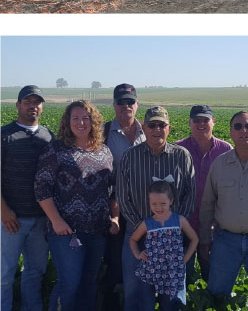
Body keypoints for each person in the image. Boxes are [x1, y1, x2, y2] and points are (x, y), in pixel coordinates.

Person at [34, 100, 117, 311]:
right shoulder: (55, 150)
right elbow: (41, 188)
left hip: (98, 230)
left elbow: (113, 188)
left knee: (89, 283)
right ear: (67, 122)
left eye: (86, 118)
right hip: (67, 232)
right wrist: (56, 221)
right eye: (76, 118)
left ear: (94, 121)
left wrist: (114, 217)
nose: (81, 123)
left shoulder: (104, 151)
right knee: (69, 283)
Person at [117, 106, 196, 311]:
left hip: (171, 238)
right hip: (137, 236)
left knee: (171, 294)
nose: (157, 129)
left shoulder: (182, 156)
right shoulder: (129, 156)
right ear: (144, 127)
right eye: (152, 125)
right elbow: (123, 197)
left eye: (161, 125)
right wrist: (145, 227)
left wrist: (173, 226)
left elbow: (190, 195)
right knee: (135, 292)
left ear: (169, 128)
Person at [199, 111, 248, 307]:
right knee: (217, 295)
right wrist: (205, 240)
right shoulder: (220, 164)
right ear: (231, 132)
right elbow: (208, 204)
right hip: (226, 240)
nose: (244, 131)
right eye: (238, 127)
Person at [0, 86, 54, 311]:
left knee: (35, 271)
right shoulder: (4, 135)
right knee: (4, 274)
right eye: (27, 101)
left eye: (37, 102)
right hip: (12, 219)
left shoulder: (48, 136)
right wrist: (2, 210)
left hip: (41, 220)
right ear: (18, 105)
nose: (33, 106)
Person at [101, 84, 146, 310]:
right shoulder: (103, 131)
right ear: (114, 105)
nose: (126, 106)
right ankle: (112, 301)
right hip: (114, 208)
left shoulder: (149, 131)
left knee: (141, 257)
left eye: (130, 102)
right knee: (114, 259)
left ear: (137, 105)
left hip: (143, 210)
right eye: (121, 102)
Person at [175, 104, 231, 282]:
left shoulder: (226, 151)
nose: (201, 124)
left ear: (213, 122)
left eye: (205, 120)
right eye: (196, 120)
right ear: (189, 123)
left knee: (214, 277)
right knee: (184, 278)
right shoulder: (176, 150)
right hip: (184, 225)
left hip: (216, 227)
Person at [129, 180, 198, 310]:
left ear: (171, 201)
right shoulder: (147, 223)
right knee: (146, 305)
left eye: (163, 204)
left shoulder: (179, 220)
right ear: (149, 203)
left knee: (168, 306)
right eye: (154, 204)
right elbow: (133, 239)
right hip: (149, 271)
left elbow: (194, 239)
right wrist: (137, 254)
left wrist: (185, 259)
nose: (158, 208)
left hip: (171, 272)